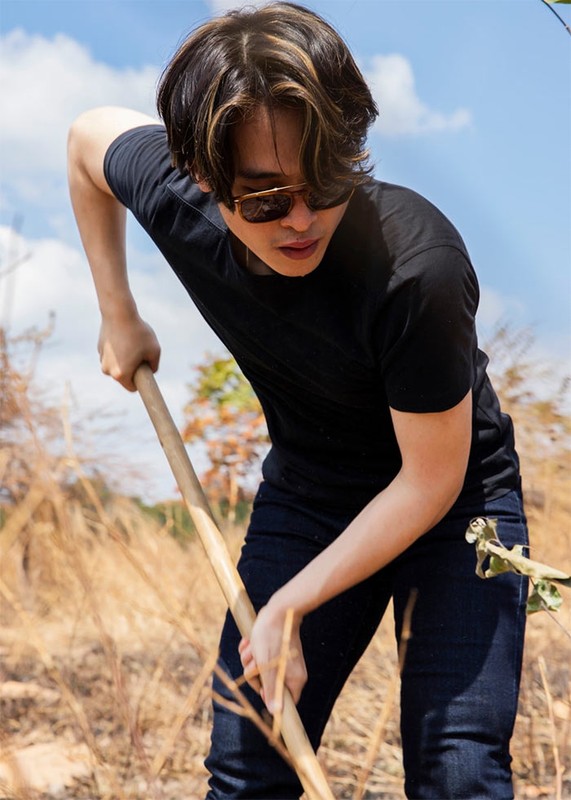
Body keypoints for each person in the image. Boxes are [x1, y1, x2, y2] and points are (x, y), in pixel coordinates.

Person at [67, 3, 529, 798]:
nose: (303, 220)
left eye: (326, 182)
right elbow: (84, 140)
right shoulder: (178, 201)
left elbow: (428, 481)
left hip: (455, 505)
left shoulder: (415, 268)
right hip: (312, 493)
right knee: (250, 764)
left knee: (458, 770)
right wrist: (118, 313)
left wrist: (290, 602)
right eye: (265, 201)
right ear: (205, 178)